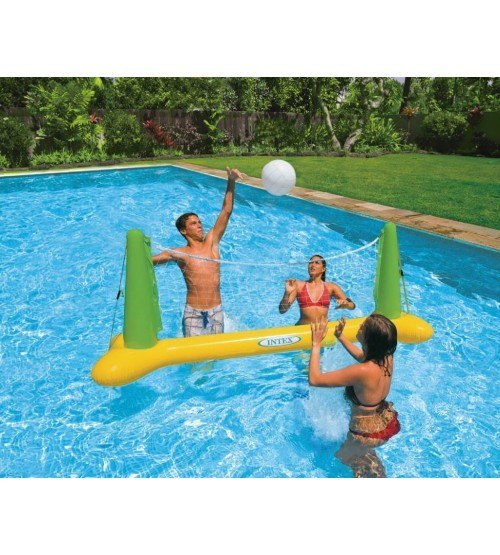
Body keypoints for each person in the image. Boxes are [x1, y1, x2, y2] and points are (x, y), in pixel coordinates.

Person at [152, 167, 244, 337]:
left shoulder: (211, 243)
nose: (199, 225)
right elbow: (149, 261)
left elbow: (226, 211)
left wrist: (231, 181)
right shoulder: (178, 253)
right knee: (191, 353)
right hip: (192, 314)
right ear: (183, 231)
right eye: (193, 224)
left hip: (216, 312)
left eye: (199, 222)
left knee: (215, 352)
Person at [308, 313, 401, 478]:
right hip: (384, 422)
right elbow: (364, 357)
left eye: (363, 327)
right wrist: (340, 336)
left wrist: (316, 344)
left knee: (346, 458)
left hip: (364, 432)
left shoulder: (362, 371)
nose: (359, 327)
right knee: (362, 458)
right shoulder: (386, 358)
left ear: (369, 339)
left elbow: (315, 379)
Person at [279, 254, 355, 325]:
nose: (312, 265)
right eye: (310, 263)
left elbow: (352, 306)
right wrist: (287, 293)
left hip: (323, 329)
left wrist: (346, 304)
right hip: (303, 329)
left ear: (323, 269)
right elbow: (282, 310)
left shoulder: (331, 287)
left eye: (317, 263)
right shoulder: (299, 285)